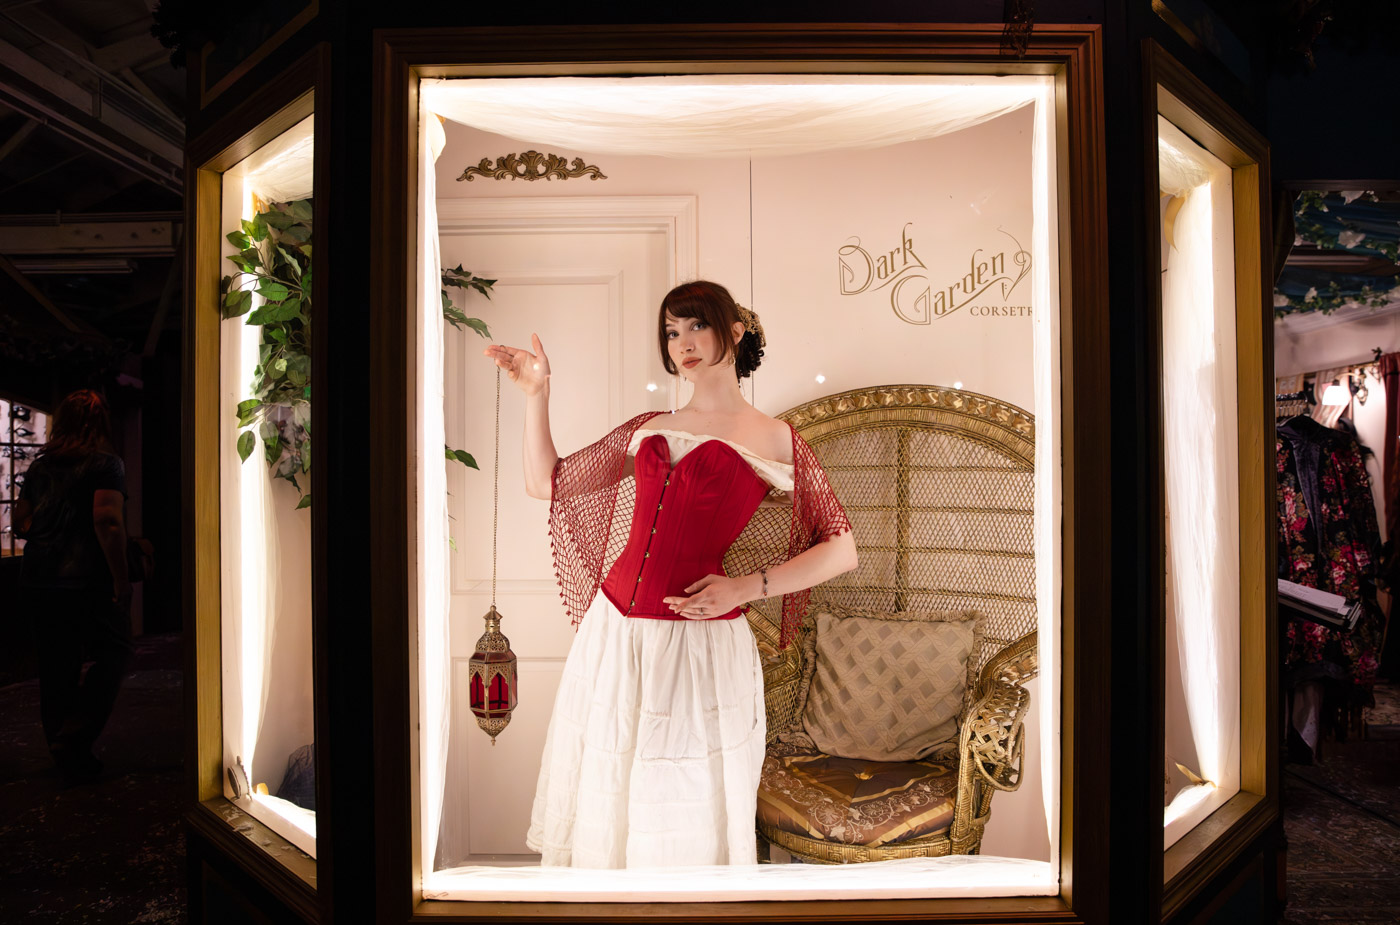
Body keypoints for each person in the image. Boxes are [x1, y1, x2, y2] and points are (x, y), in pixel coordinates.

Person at [483, 280, 857, 868]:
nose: (683, 342)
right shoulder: (651, 424)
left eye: (697, 326)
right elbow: (546, 483)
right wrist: (537, 393)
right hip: (614, 632)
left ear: (735, 332)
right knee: (609, 784)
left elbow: (841, 548)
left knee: (677, 797)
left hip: (697, 644)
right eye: (671, 331)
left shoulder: (774, 437)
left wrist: (746, 587)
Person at [14, 389, 132, 783]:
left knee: (55, 666)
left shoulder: (39, 468)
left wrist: (51, 525)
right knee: (115, 651)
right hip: (86, 579)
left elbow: (20, 523)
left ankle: (64, 753)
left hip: (39, 577)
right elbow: (107, 521)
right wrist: (121, 579)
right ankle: (75, 735)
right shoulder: (106, 465)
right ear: (101, 423)